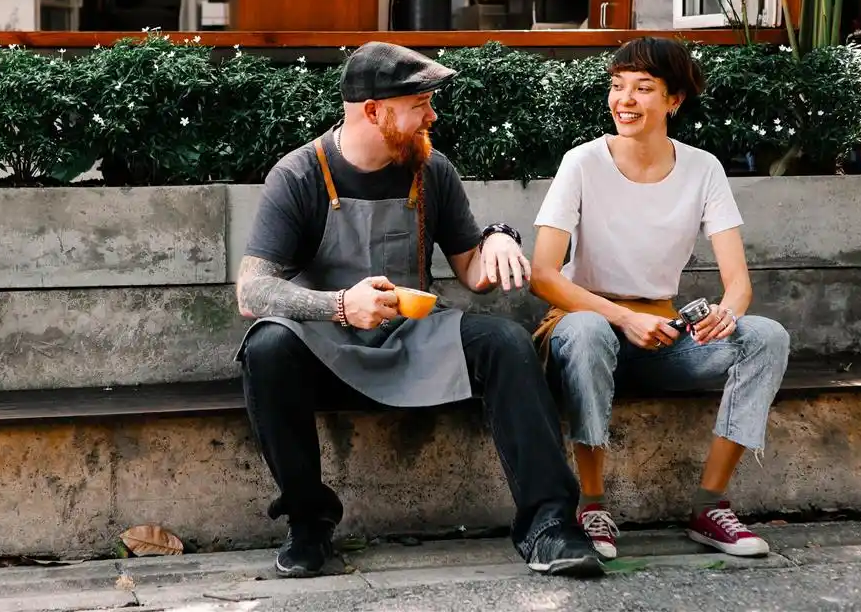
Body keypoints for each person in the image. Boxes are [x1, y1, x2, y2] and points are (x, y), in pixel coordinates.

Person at [234, 41, 603, 579]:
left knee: (506, 342)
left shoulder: (432, 170)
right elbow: (252, 291)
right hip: (327, 346)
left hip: (413, 337)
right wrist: (340, 305)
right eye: (420, 105)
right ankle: (309, 523)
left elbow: (473, 273)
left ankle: (549, 526)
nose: (433, 116)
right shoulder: (299, 175)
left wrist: (499, 238)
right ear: (373, 111)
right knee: (267, 348)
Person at [529, 37, 790, 561]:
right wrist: (625, 318)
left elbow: (738, 283)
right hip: (583, 326)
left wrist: (726, 314)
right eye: (617, 85)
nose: (624, 99)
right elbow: (542, 276)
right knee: (588, 330)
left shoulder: (703, 168)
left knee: (766, 336)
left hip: (661, 336)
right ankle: (591, 505)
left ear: (674, 100)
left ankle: (710, 506)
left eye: (643, 88)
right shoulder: (582, 162)